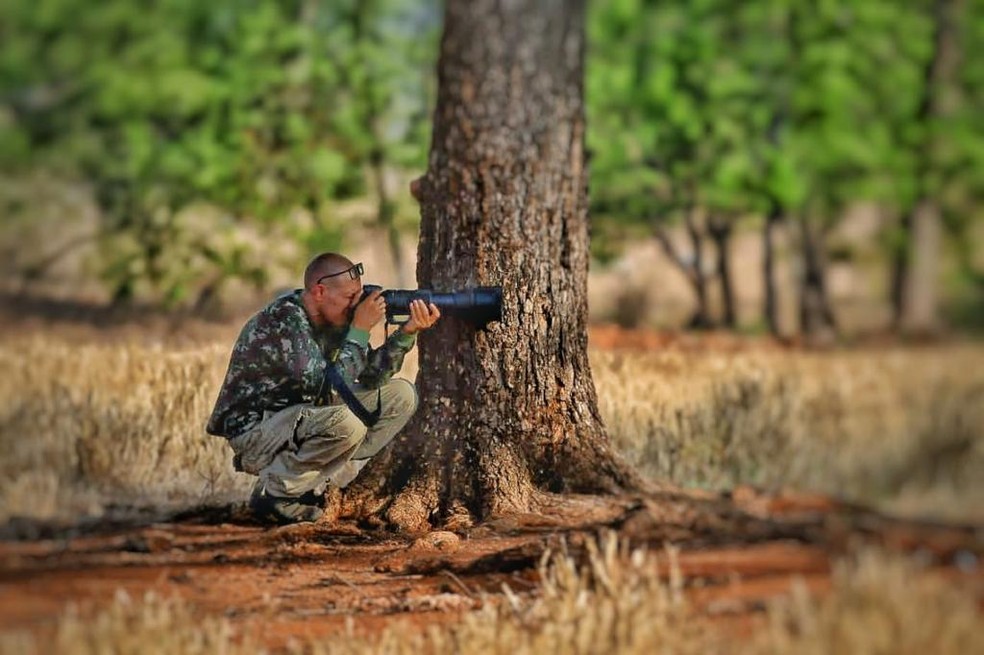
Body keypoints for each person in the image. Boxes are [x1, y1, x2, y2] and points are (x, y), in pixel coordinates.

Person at [206, 253, 441, 524]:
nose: (357, 304)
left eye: (359, 295)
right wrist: (360, 329)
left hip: (300, 416)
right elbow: (328, 389)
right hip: (256, 431)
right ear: (319, 291)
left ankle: (302, 482)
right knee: (346, 425)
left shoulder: (333, 319)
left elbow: (370, 379)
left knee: (400, 396)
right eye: (349, 297)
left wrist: (407, 332)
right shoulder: (284, 322)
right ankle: (275, 495)